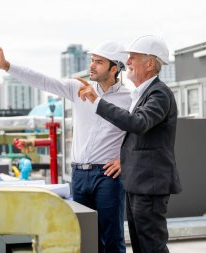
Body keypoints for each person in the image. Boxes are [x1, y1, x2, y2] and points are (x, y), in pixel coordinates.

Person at [0, 41, 131, 253]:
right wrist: (8, 66)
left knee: (111, 239)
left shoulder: (129, 98)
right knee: (83, 237)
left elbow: (140, 132)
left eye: (99, 62)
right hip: (79, 175)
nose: (92, 65)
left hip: (107, 176)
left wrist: (125, 160)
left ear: (114, 68)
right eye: (92, 60)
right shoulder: (78, 88)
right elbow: (44, 81)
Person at [77, 35, 182, 253]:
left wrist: (97, 102)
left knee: (151, 246)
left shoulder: (159, 93)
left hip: (149, 185)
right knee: (141, 245)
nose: (129, 63)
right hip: (139, 184)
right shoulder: (142, 95)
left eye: (133, 58)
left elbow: (138, 123)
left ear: (150, 63)